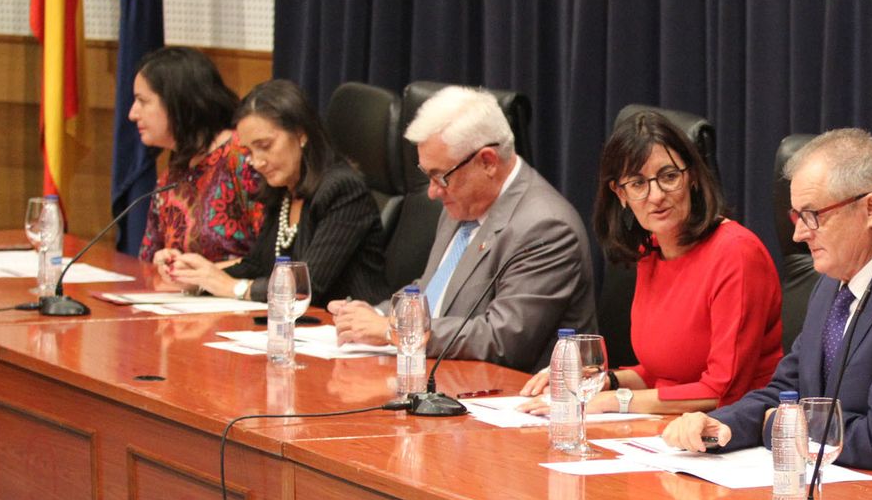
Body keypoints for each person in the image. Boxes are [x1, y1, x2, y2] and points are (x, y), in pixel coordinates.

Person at [662, 128, 872, 478]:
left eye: (813, 215)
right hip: (843, 486)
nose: (798, 234)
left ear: (870, 209)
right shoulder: (833, 282)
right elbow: (787, 390)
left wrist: (776, 427)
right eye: (796, 217)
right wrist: (719, 423)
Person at [519, 112, 781, 416]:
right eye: (638, 183)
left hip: (737, 431)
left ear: (692, 177)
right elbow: (665, 372)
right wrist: (601, 382)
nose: (656, 196)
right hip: (669, 427)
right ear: (620, 194)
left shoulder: (736, 253)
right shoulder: (651, 251)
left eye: (669, 177)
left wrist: (612, 402)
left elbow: (723, 390)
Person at [327, 85, 596, 370]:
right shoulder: (462, 203)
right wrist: (370, 314)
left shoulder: (545, 227)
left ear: (488, 162)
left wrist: (391, 329)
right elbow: (433, 291)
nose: (432, 192)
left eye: (440, 176)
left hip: (512, 397)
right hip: (443, 379)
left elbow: (502, 339)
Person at [165, 80, 389, 308]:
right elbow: (257, 266)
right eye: (249, 151)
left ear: (301, 133)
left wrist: (234, 287)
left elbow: (307, 285)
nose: (257, 162)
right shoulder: (282, 189)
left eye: (265, 145)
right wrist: (199, 277)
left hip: (350, 331)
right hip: (301, 329)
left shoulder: (343, 189)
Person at [132, 46, 265, 269]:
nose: (133, 113)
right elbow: (148, 257)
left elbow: (273, 258)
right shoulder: (174, 170)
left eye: (143, 101)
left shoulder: (242, 157)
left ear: (178, 101)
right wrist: (163, 262)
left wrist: (203, 274)